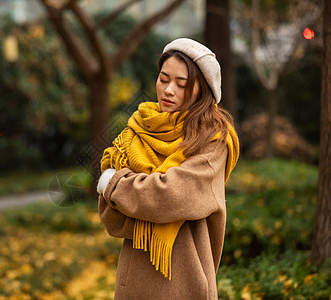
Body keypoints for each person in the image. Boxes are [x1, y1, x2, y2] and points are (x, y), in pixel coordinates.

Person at [96, 38, 239, 299]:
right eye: (164, 79)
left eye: (181, 84)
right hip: (135, 282)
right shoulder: (138, 130)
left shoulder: (213, 140)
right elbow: (111, 217)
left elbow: (170, 194)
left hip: (186, 283)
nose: (169, 90)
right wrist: (137, 200)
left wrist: (116, 185)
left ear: (202, 89)